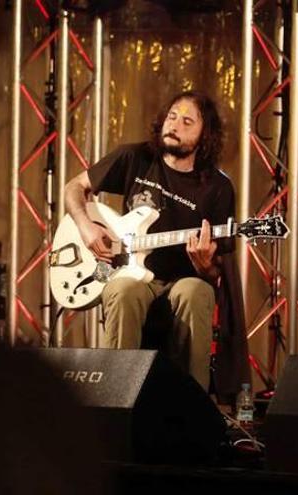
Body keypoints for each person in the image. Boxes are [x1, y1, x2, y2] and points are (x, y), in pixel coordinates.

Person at [63, 91, 249, 402]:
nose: (174, 124)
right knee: (123, 292)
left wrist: (204, 264)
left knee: (197, 292)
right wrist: (85, 226)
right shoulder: (134, 157)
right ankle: (116, 404)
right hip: (129, 274)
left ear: (205, 137)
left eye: (187, 121)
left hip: (181, 280)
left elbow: (215, 273)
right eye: (172, 116)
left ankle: (192, 409)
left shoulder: (217, 187)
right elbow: (74, 188)